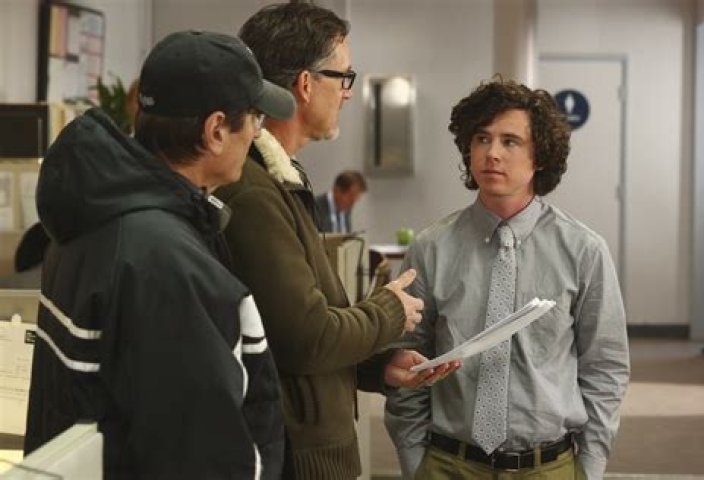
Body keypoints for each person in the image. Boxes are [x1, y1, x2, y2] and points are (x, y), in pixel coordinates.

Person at [24, 30, 296, 479]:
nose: (257, 132)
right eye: (254, 118)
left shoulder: (99, 216)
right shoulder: (165, 263)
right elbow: (202, 455)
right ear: (215, 131)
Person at [214, 4, 458, 478]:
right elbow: (306, 339)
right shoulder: (253, 191)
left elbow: (292, 329)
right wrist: (389, 311)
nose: (348, 93)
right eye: (344, 77)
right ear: (305, 84)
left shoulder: (279, 179)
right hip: (292, 454)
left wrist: (376, 367)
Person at [385, 79, 630, 480]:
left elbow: (605, 368)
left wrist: (589, 467)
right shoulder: (431, 248)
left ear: (540, 156)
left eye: (510, 141)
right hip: (449, 465)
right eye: (482, 138)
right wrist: (415, 459)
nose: (492, 153)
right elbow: (405, 360)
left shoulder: (584, 250)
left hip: (549, 467)